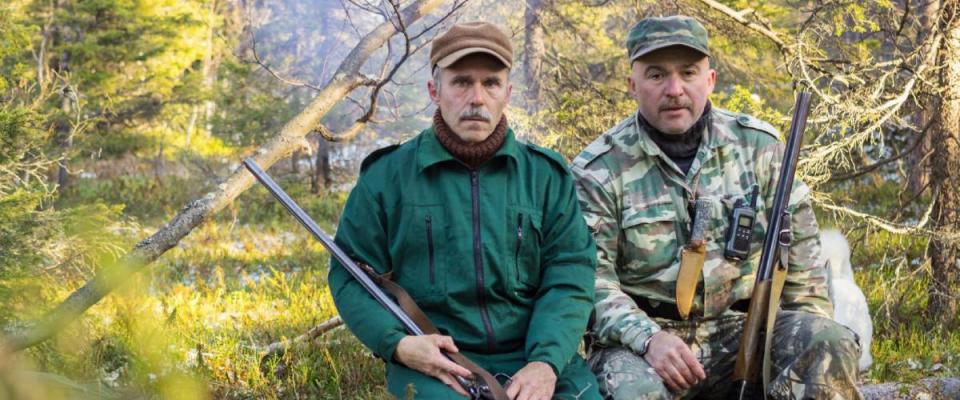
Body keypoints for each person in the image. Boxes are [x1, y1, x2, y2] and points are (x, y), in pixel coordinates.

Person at [571, 15, 863, 399]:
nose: (674, 89)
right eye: (656, 75)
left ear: (710, 80)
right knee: (633, 390)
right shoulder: (599, 169)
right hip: (641, 344)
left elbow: (803, 278)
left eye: (688, 73)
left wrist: (806, 350)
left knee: (827, 340)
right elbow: (591, 282)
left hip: (741, 332)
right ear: (632, 85)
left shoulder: (760, 149)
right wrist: (648, 339)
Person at [328, 22, 601, 399]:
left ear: (507, 93)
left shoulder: (545, 176)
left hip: (534, 355)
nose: (476, 97)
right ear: (434, 90)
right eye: (460, 82)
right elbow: (350, 276)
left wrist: (547, 362)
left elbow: (570, 273)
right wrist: (400, 345)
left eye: (490, 83)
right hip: (437, 361)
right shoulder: (386, 177)